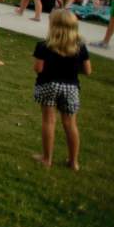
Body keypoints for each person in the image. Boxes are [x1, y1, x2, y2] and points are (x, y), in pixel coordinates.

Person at [32, 9, 92, 170]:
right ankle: (73, 162)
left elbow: (38, 68)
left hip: (48, 85)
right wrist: (71, 69)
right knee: (70, 123)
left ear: (53, 25)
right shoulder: (80, 47)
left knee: (49, 121)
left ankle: (47, 158)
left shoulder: (44, 45)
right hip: (71, 87)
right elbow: (87, 71)